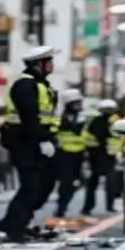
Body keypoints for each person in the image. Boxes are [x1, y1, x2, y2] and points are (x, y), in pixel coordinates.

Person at [0, 46, 61, 242]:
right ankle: (15, 227)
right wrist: (42, 140)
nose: (52, 65)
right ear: (39, 64)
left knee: (44, 184)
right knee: (31, 186)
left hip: (35, 141)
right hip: (24, 142)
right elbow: (29, 116)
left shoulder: (41, 85)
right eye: (49, 62)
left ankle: (13, 221)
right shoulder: (25, 85)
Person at [81, 98, 120, 214]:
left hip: (109, 156)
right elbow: (88, 136)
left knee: (110, 183)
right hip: (96, 155)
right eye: (106, 109)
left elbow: (121, 138)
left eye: (110, 110)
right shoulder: (96, 121)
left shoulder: (116, 122)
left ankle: (109, 206)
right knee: (93, 183)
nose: (108, 112)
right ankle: (88, 207)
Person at [54, 89, 87, 217]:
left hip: (79, 155)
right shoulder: (61, 119)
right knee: (66, 182)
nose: (78, 105)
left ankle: (63, 203)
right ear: (68, 104)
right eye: (75, 103)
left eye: (79, 102)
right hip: (64, 155)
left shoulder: (83, 119)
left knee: (79, 182)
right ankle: (61, 207)